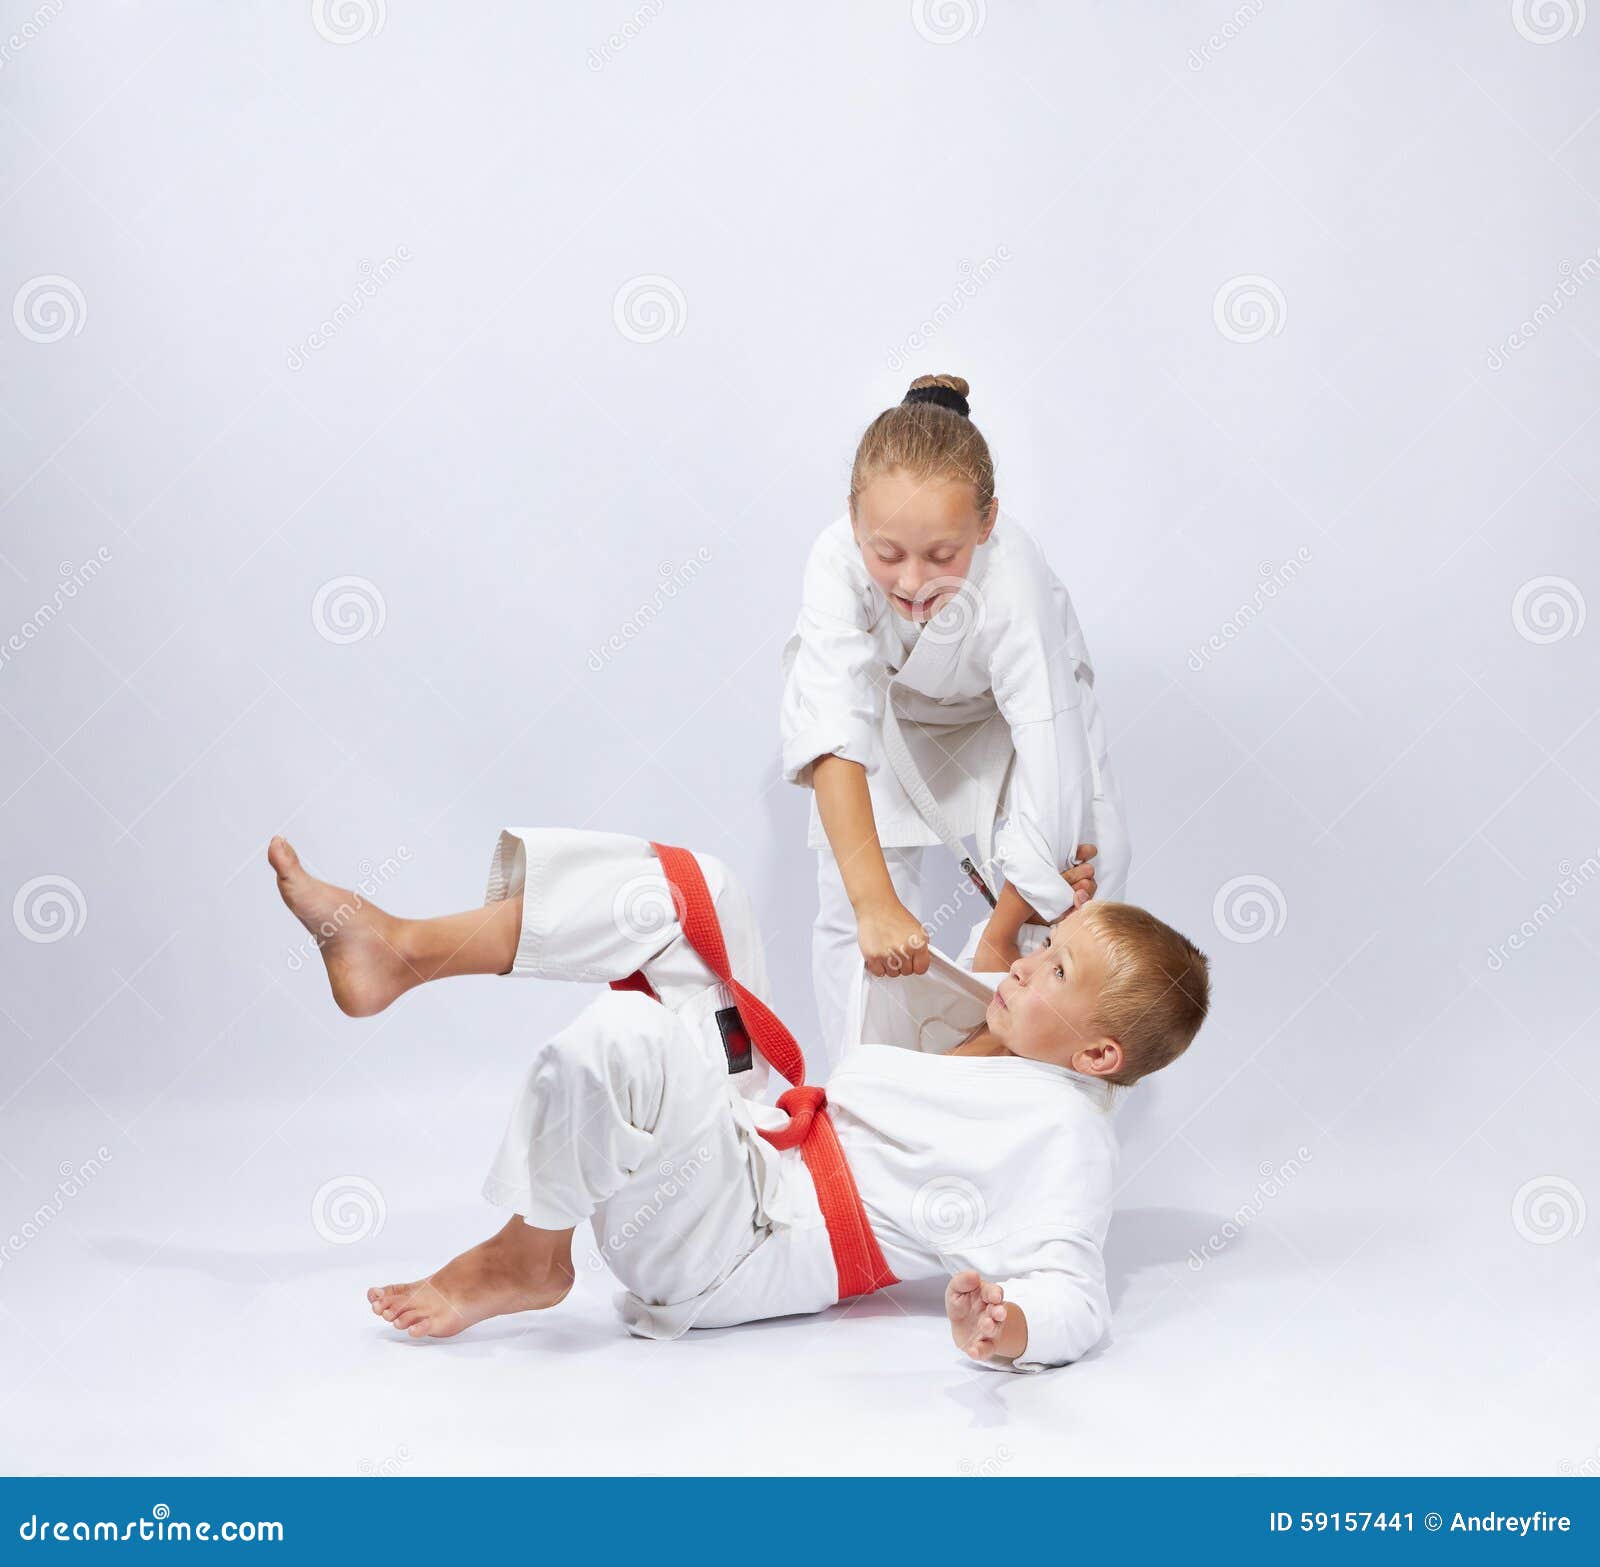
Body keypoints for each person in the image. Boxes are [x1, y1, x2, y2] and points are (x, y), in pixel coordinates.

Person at [268, 824, 1207, 1370]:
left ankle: (529, 1253)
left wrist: (1006, 1329)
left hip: (736, 1242)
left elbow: (1077, 1292)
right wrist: (1016, 912)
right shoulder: (1009, 1045)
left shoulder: (1066, 1137)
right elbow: (999, 980)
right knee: (690, 891)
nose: (1026, 963)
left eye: (1056, 968)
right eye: (1043, 947)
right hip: (753, 1140)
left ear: (1098, 1053)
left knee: (625, 1038)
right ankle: (402, 949)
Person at [780, 373, 1133, 1069]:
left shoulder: (1014, 579)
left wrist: (1003, 934)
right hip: (891, 718)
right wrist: (875, 903)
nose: (914, 582)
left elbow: (1049, 754)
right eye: (888, 554)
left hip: (1013, 718)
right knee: (852, 910)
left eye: (943, 555)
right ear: (855, 522)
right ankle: (865, 1097)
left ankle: (1031, 1094)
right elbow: (832, 729)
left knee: (1086, 885)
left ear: (988, 521)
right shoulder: (833, 560)